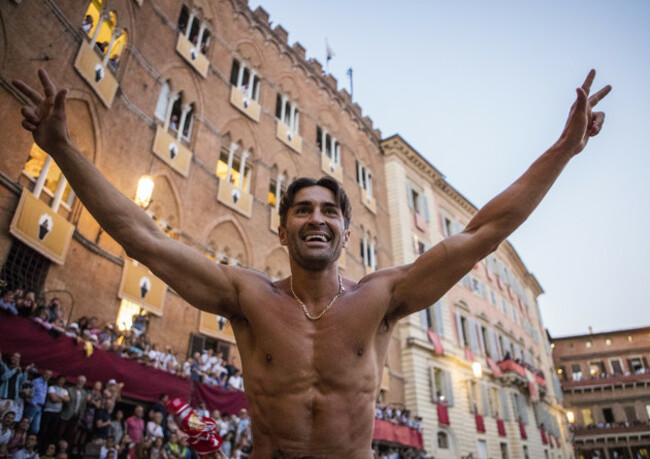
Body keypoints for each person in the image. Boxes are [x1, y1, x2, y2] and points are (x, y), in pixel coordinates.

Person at [13, 68, 611, 456]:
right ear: (283, 228)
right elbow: (141, 235)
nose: (316, 219)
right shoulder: (247, 297)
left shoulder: (382, 299)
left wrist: (562, 149)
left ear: (346, 232)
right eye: (302, 210)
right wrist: (63, 148)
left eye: (329, 211)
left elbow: (486, 231)